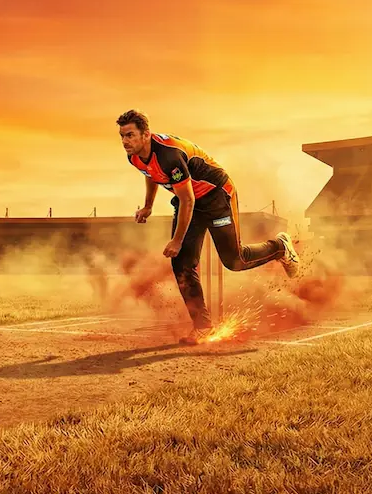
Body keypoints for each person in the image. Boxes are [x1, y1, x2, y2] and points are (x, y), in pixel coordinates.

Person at [117, 109, 299, 344]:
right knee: (182, 263)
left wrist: (177, 240)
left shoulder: (169, 155)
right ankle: (203, 327)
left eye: (130, 135)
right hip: (192, 202)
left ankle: (279, 247)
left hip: (216, 197)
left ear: (145, 134)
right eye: (122, 136)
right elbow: (150, 173)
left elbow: (187, 200)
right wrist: (148, 206)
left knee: (235, 260)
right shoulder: (134, 156)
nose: (124, 141)